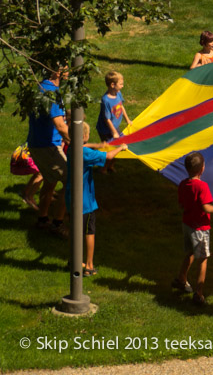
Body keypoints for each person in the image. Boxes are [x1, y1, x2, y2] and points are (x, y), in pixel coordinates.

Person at [64, 123, 128, 277]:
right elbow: (109, 156)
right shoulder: (85, 154)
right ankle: (89, 266)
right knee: (89, 231)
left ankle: (74, 261)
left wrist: (99, 144)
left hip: (71, 198)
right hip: (85, 202)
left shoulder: (71, 148)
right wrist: (121, 147)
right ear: (84, 137)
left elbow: (83, 144)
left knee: (75, 231)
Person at [172, 151, 213, 306]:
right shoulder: (202, 186)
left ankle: (181, 279)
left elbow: (181, 205)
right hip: (200, 228)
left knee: (189, 252)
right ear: (202, 169)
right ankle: (199, 293)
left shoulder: (183, 184)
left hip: (187, 225)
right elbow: (206, 208)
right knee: (203, 259)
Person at [27, 67, 70, 238]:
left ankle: (43, 219)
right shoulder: (52, 93)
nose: (69, 71)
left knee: (50, 181)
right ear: (56, 71)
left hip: (38, 144)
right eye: (66, 68)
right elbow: (60, 126)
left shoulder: (40, 87)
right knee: (72, 181)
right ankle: (57, 224)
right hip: (48, 146)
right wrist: (77, 143)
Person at [95, 71, 132, 173]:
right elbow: (106, 119)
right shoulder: (106, 100)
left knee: (119, 146)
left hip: (114, 127)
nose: (122, 86)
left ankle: (110, 166)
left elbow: (121, 106)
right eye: (120, 84)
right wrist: (114, 132)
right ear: (112, 85)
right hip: (106, 129)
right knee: (112, 149)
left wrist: (127, 119)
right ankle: (104, 169)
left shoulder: (118, 93)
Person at [10, 143, 43, 210]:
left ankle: (25, 193)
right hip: (29, 153)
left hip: (26, 150)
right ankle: (29, 197)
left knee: (38, 173)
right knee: (41, 174)